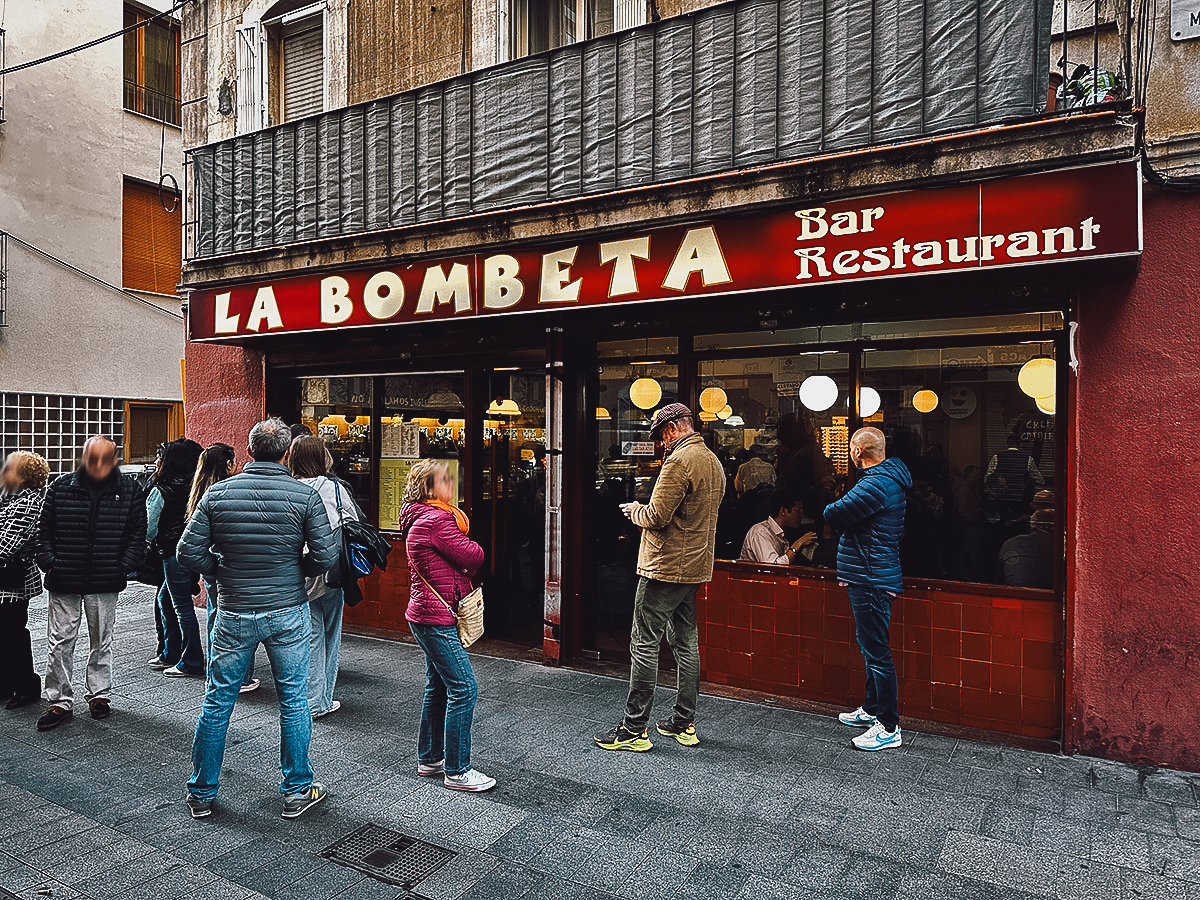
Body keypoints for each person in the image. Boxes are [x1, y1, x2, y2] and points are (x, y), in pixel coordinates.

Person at [177, 418, 338, 820]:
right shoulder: (305, 497)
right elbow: (327, 558)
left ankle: (201, 791)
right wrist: (294, 568)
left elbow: (186, 552)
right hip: (286, 609)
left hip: (233, 609)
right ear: (286, 453)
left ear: (249, 451)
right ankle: (298, 789)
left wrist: (217, 571)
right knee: (294, 700)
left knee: (217, 701)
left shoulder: (218, 494)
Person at [595, 402, 724, 752]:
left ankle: (634, 729)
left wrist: (633, 510)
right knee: (685, 642)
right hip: (694, 566)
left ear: (671, 430)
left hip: (665, 566)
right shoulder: (712, 461)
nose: (661, 443)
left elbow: (656, 515)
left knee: (644, 642)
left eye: (660, 435)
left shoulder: (679, 461)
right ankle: (684, 722)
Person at [35, 436, 147, 731]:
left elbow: (138, 534)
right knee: (59, 642)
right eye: (91, 457)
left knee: (102, 640)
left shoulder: (130, 489)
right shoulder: (61, 486)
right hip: (64, 576)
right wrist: (50, 561)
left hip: (105, 578)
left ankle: (100, 695)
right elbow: (43, 530)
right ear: (83, 457)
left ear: (113, 459)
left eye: (103, 458)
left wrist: (124, 565)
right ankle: (59, 700)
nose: (97, 464)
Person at [398, 459, 494, 792]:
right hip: (435, 616)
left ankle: (430, 758)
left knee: (437, 686)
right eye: (444, 481)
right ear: (428, 488)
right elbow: (475, 556)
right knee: (464, 688)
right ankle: (457, 769)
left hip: (427, 612)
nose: (451, 485)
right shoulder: (438, 520)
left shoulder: (421, 517)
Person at [824, 427, 911, 752]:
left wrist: (836, 505)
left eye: (849, 448)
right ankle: (872, 709)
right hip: (870, 573)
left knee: (877, 652)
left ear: (858, 451)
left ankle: (888, 726)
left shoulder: (876, 484)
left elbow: (833, 514)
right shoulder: (885, 480)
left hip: (871, 577)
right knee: (870, 646)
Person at [290, 435, 356, 719]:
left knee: (309, 635)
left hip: (297, 569)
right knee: (330, 635)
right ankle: (321, 700)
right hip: (332, 569)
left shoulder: (289, 488)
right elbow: (351, 523)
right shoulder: (335, 489)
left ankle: (311, 698)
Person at [188, 443, 259, 693]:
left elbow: (190, 544)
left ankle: (215, 671)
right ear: (228, 464)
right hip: (229, 563)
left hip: (211, 563)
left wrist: (209, 565)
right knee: (241, 619)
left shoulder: (200, 491)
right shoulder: (231, 490)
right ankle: (241, 677)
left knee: (215, 615)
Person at [146, 438, 206, 678]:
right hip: (193, 551)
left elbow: (149, 528)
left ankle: (190, 659)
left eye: (160, 457)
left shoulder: (161, 490)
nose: (156, 461)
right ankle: (171, 652)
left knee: (180, 607)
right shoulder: (199, 486)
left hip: (172, 552)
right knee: (167, 600)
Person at [0, 452, 51, 710]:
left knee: (13, 634)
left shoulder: (28, 502)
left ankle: (26, 686)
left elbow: (6, 544)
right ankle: (6, 683)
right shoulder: (8, 497)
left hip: (12, 580)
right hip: (5, 577)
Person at [739, 488, 818, 565]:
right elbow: (774, 567)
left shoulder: (783, 533)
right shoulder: (760, 532)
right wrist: (798, 544)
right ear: (783, 511)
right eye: (798, 510)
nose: (802, 515)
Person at [999, 509, 1055, 589]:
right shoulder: (1056, 545)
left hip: (1012, 593)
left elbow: (999, 577)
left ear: (1032, 524)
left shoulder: (1011, 542)